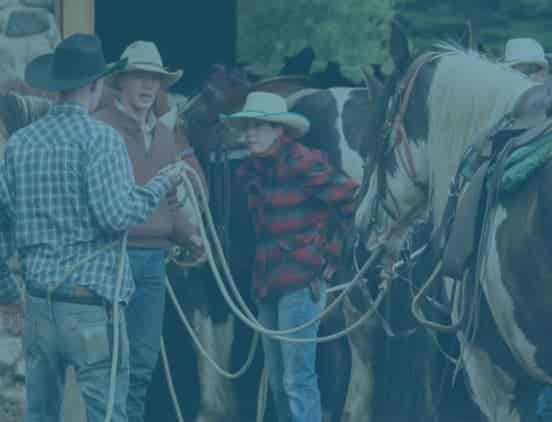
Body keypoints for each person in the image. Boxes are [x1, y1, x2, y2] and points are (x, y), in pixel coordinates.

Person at [0, 33, 184, 422]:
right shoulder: (102, 139)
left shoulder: (20, 143)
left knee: (40, 414)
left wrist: (7, 293)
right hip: (90, 302)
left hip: (38, 302)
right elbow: (116, 215)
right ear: (96, 85)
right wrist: (160, 184)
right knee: (107, 414)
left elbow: (2, 223)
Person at [223, 92, 358, 422]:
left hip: (300, 280)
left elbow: (353, 204)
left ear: (277, 130)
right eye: (247, 127)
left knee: (297, 379)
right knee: (279, 379)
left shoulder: (304, 162)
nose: (249, 134)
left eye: (258, 126)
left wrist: (332, 256)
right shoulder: (251, 171)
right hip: (266, 282)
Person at [93, 39, 205, 422]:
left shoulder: (163, 135)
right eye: (139, 77)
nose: (147, 87)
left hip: (154, 264)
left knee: (142, 362)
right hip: (111, 259)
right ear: (121, 81)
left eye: (154, 80)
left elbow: (169, 202)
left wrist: (189, 235)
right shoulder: (101, 128)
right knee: (111, 363)